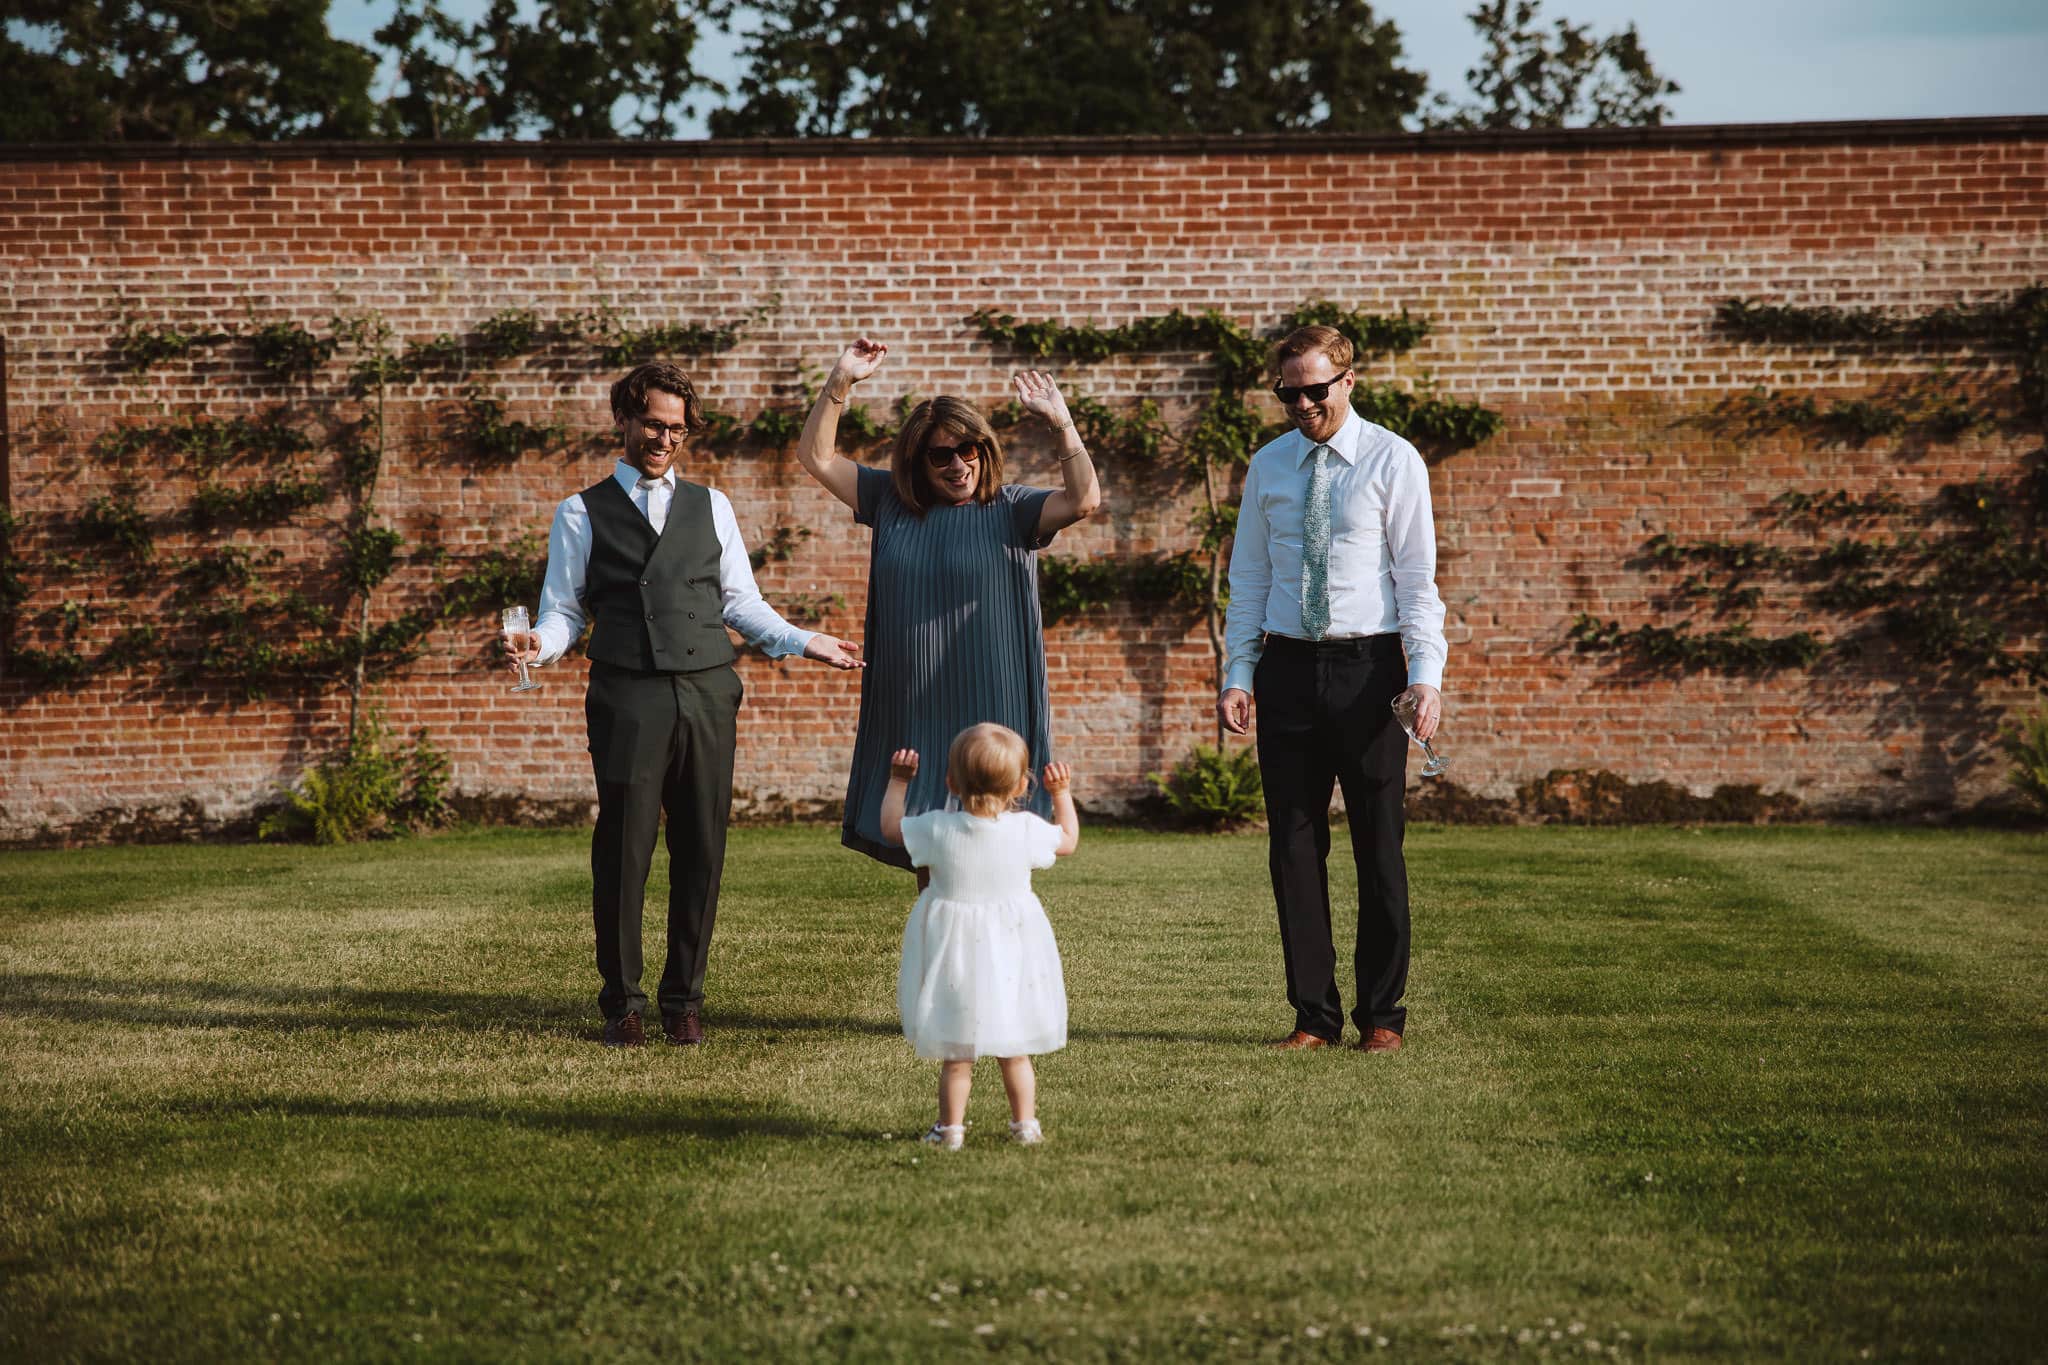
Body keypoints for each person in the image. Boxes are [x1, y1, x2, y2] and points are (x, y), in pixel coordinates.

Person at [503, 361, 864, 1048]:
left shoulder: (713, 505)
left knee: (702, 845)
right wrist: (538, 646)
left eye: (676, 428)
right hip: (626, 692)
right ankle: (624, 1005)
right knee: (624, 848)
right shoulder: (579, 512)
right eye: (652, 424)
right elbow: (562, 610)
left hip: (707, 689)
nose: (664, 438)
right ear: (624, 420)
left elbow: (741, 604)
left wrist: (808, 639)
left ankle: (684, 1000)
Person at [793, 337, 1100, 882]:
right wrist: (841, 381)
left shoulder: (1013, 509)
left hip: (996, 695)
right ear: (917, 461)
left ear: (985, 450)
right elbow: (816, 458)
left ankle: (994, 954)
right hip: (914, 699)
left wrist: (1060, 422)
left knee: (997, 837)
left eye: (969, 450)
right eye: (941, 455)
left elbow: (1084, 500)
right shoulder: (887, 500)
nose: (959, 465)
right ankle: (946, 946)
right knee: (930, 837)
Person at [1218, 324, 1447, 1054]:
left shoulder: (1392, 460)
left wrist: (1425, 677)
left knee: (1379, 846)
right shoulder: (1269, 467)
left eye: (1316, 389)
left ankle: (1383, 1015)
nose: (1303, 403)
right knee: (1292, 846)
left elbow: (1416, 581)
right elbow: (1249, 578)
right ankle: (1312, 1016)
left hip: (1370, 672)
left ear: (1349, 380)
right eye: (1289, 392)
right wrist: (1238, 672)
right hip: (1287, 669)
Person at [880, 724, 1079, 1148]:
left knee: (958, 1054)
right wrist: (1061, 793)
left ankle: (950, 1130)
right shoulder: (1026, 829)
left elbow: (891, 830)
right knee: (1015, 1047)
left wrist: (898, 782)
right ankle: (1025, 1125)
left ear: (951, 781)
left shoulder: (937, 829)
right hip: (1012, 951)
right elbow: (1068, 841)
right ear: (1023, 784)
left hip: (956, 955)